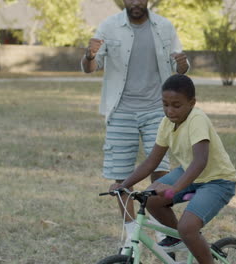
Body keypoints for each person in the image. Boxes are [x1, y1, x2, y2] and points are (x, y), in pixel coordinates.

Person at [81, 0, 190, 249]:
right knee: (122, 181)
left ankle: (164, 231)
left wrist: (183, 66)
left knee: (161, 172)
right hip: (120, 111)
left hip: (156, 111)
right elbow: (90, 67)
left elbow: (180, 67)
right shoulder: (109, 26)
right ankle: (132, 238)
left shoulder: (164, 26)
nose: (136, 2)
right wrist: (89, 55)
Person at [117, 74, 236, 264]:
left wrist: (174, 189)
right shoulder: (166, 123)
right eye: (165, 104)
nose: (170, 110)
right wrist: (123, 185)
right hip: (190, 174)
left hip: (217, 180)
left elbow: (200, 161)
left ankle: (189, 240)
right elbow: (151, 162)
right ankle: (178, 238)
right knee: (150, 197)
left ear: (192, 103)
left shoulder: (197, 119)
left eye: (176, 105)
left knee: (188, 227)